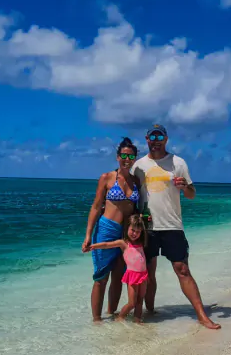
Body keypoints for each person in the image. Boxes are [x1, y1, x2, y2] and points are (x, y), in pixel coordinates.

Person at [132, 124, 221, 330]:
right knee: (147, 272)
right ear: (146, 139)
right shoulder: (138, 165)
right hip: (147, 227)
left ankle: (202, 316)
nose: (156, 140)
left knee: (182, 269)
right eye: (152, 136)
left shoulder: (178, 163)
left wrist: (184, 187)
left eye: (160, 136)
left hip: (172, 225)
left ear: (166, 139)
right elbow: (132, 194)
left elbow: (191, 194)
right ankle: (149, 313)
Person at [81, 137, 141, 322]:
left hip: (125, 233)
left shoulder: (136, 181)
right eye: (123, 155)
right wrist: (88, 235)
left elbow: (138, 209)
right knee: (101, 277)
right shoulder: (107, 178)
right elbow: (95, 206)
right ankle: (97, 321)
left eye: (130, 156)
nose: (126, 159)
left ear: (134, 158)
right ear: (117, 157)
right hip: (106, 229)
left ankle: (112, 314)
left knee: (119, 276)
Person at [84, 215, 149, 323]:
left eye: (138, 231)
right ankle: (120, 318)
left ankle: (137, 320)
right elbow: (107, 244)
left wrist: (143, 217)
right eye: (132, 230)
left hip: (143, 275)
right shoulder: (123, 243)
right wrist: (94, 246)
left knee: (140, 299)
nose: (134, 234)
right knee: (132, 302)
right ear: (127, 228)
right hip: (132, 276)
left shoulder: (140, 242)